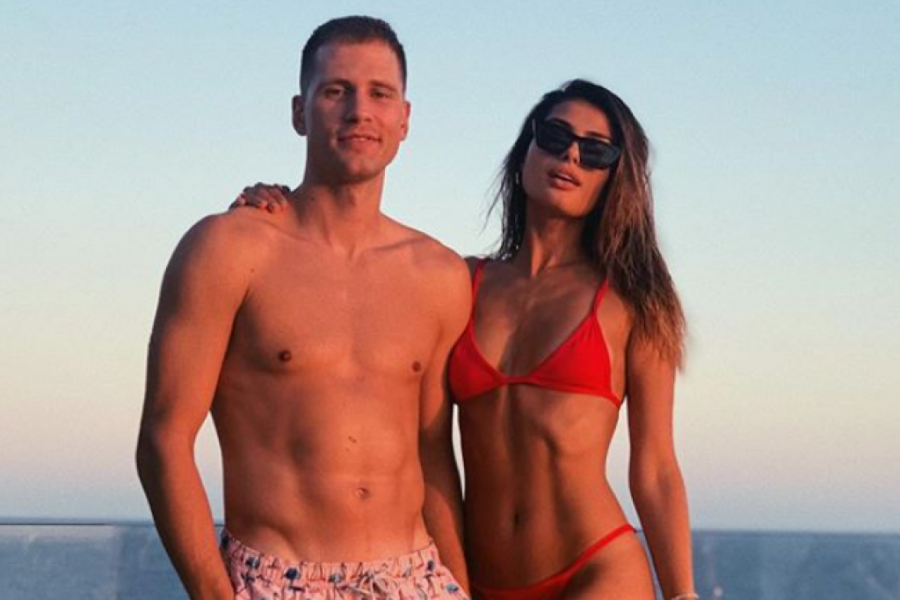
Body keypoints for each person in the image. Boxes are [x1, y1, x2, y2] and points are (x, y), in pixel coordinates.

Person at [237, 80, 695, 600]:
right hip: (475, 578)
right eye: (555, 135)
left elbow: (655, 468)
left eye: (595, 152)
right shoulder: (461, 283)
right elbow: (419, 432)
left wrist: (683, 594)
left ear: (615, 177)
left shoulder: (633, 301)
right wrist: (281, 213)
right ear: (526, 149)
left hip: (596, 568)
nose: (571, 155)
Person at [136, 15, 471, 600]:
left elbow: (434, 454)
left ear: (404, 119)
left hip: (416, 576)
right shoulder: (230, 249)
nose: (359, 111)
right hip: (278, 577)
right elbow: (164, 438)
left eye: (379, 93)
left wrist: (457, 586)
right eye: (336, 90)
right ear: (300, 112)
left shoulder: (440, 274)